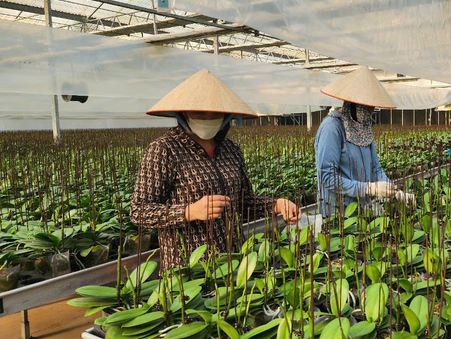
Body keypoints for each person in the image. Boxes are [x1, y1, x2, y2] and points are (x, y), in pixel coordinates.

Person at [131, 69, 300, 269]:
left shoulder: (231, 149)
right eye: (200, 111)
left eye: (215, 112)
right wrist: (188, 212)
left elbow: (243, 202)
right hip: (188, 268)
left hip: (234, 259)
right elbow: (139, 211)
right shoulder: (164, 150)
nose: (208, 117)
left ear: (226, 115)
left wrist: (276, 205)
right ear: (183, 112)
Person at [315, 66, 415, 217]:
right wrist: (369, 188)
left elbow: (376, 169)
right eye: (368, 105)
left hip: (363, 210)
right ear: (354, 103)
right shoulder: (332, 128)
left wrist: (395, 192)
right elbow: (327, 177)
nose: (372, 109)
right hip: (338, 214)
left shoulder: (363, 128)